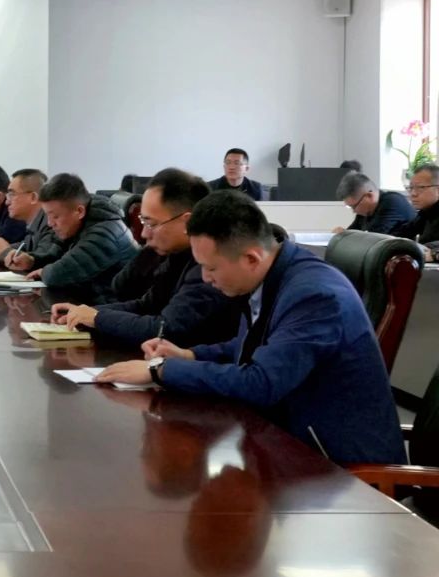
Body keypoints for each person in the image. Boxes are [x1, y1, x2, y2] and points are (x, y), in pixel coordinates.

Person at [97, 190, 407, 466]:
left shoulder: (315, 296)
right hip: (289, 446)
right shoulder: (277, 275)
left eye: (211, 267)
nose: (205, 278)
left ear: (250, 258)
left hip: (339, 469)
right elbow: (252, 345)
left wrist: (161, 370)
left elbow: (261, 382)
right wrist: (189, 355)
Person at [50, 168, 238, 349]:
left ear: (187, 222)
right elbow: (145, 304)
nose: (144, 233)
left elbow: (165, 329)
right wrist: (86, 311)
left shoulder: (209, 265)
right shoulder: (176, 253)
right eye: (143, 221)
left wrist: (97, 318)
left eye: (151, 224)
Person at [5, 173, 138, 303]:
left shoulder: (106, 233)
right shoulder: (79, 224)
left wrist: (45, 272)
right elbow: (55, 256)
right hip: (90, 304)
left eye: (55, 216)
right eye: (47, 216)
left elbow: (62, 272)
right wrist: (32, 261)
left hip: (112, 309)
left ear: (79, 211)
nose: (50, 223)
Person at [0, 168, 58, 266]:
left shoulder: (50, 222)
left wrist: (4, 252)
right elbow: (25, 247)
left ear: (33, 197)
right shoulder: (33, 223)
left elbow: (41, 261)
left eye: (12, 194)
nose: (7, 202)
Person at [332, 171, 415, 235]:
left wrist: (348, 236)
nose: (354, 211)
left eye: (354, 206)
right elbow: (353, 232)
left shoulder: (392, 202)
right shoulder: (364, 211)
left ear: (369, 196)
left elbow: (373, 238)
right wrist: (343, 233)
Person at [396, 163, 439, 262]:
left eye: (420, 187)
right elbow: (402, 235)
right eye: (411, 188)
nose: (413, 194)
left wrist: (432, 252)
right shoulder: (425, 212)